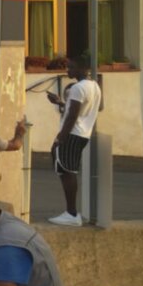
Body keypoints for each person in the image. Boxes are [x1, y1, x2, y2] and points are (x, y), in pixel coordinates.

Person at [45, 56, 102, 226]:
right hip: (82, 133)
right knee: (65, 168)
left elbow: (72, 115)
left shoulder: (78, 88)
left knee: (67, 170)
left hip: (72, 133)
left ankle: (71, 213)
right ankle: (70, 212)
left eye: (70, 67)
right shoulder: (94, 86)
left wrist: (61, 137)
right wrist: (60, 103)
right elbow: (79, 110)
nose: (67, 70)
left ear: (81, 68)